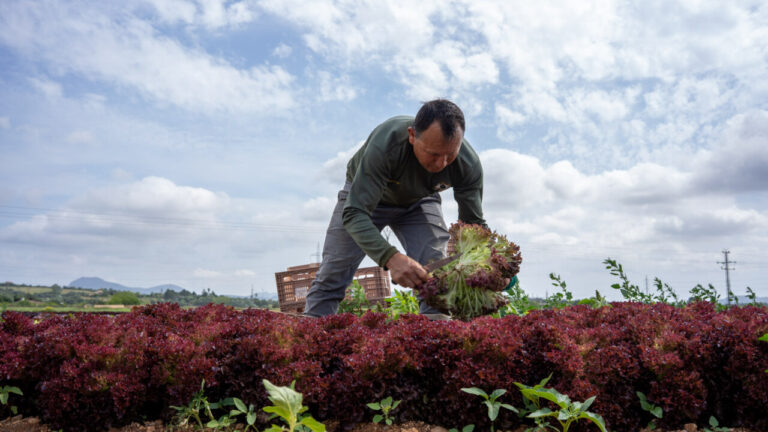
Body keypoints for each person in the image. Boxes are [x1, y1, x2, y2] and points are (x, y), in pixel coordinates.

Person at [303, 99, 486, 317]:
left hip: (419, 201)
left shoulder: (468, 165)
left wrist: (495, 266)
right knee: (333, 273)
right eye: (433, 154)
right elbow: (354, 213)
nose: (441, 165)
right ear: (412, 136)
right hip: (365, 199)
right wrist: (391, 257)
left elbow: (473, 228)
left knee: (437, 274)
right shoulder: (387, 143)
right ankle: (312, 338)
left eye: (450, 155)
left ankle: (435, 340)